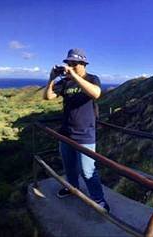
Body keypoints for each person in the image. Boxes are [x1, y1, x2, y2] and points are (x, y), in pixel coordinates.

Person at [43, 48, 110, 212]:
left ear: (83, 64)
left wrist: (74, 76)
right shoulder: (65, 82)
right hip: (66, 133)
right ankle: (72, 188)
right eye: (68, 63)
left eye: (74, 63)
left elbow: (95, 94)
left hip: (85, 134)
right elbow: (47, 96)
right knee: (69, 167)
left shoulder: (92, 79)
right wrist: (51, 78)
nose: (70, 66)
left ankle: (98, 199)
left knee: (88, 171)